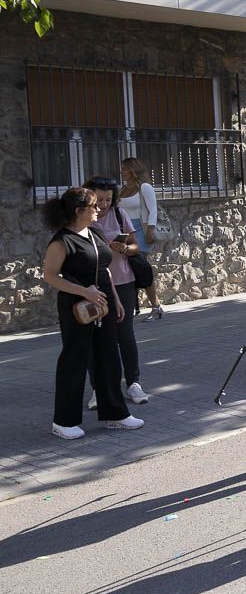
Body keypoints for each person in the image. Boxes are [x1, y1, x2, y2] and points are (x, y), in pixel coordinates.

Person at [42, 187, 144, 439]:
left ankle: (115, 414)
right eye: (93, 206)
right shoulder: (61, 241)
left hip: (103, 303)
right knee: (75, 360)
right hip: (77, 307)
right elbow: (50, 276)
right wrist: (83, 291)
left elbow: (105, 269)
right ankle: (63, 422)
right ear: (79, 211)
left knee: (109, 357)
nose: (99, 209)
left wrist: (115, 299)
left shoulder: (94, 232)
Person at [85, 177, 147, 407]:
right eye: (99, 199)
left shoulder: (119, 215)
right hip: (94, 285)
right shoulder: (83, 218)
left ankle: (133, 383)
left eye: (108, 200)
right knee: (96, 337)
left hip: (123, 281)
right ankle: (98, 389)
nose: (103, 205)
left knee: (125, 334)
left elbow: (135, 246)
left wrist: (125, 248)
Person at [117, 157, 162, 319]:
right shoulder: (122, 189)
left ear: (133, 170)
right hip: (126, 232)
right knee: (129, 269)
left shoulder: (145, 187)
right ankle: (133, 306)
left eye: (125, 168)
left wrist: (150, 230)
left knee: (140, 267)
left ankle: (156, 306)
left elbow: (153, 210)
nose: (122, 172)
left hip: (141, 230)